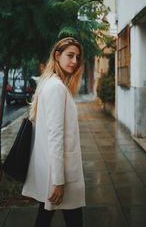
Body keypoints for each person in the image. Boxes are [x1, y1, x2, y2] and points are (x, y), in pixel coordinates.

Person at [22, 37, 86, 227]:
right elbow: (55, 136)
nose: (74, 61)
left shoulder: (47, 83)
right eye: (70, 55)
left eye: (77, 57)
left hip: (52, 169)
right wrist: (58, 181)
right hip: (61, 173)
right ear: (57, 56)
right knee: (74, 220)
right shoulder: (56, 87)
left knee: (45, 216)